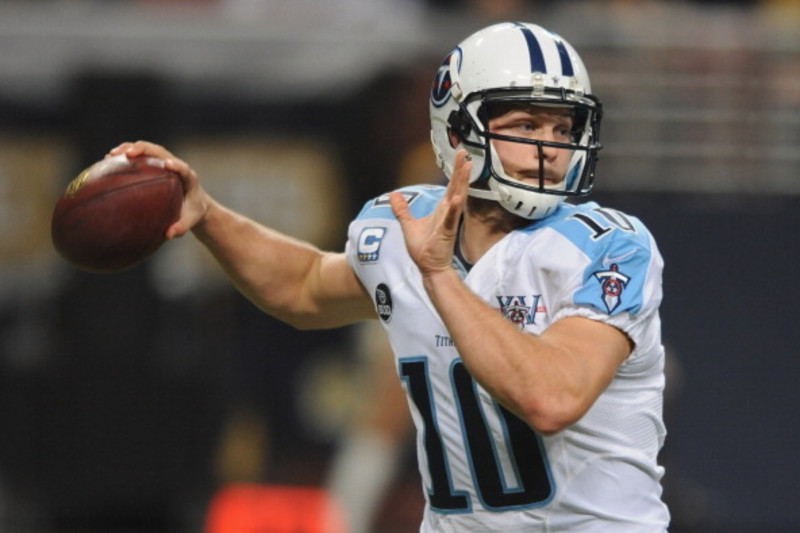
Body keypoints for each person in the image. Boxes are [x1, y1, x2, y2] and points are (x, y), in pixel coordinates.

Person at [109, 21, 670, 532]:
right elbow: (303, 286)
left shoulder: (609, 246)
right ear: (457, 134)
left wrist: (440, 277)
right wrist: (209, 215)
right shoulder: (404, 225)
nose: (550, 149)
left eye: (563, 128)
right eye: (525, 125)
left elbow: (552, 397)